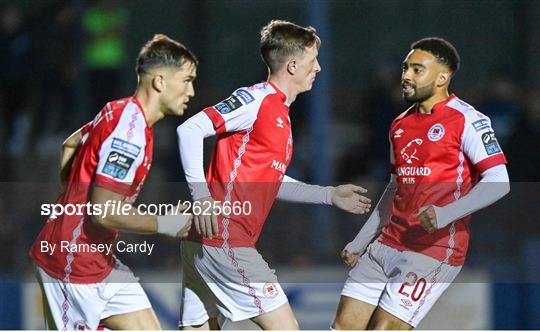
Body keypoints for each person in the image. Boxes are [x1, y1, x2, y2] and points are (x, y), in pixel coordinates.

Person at [177, 20, 372, 330]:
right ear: (293, 66)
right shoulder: (256, 100)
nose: (318, 68)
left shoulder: (279, 111)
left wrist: (329, 195)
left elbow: (271, 181)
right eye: (313, 61)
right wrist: (201, 196)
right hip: (226, 238)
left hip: (207, 240)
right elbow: (189, 129)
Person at [331, 37, 510, 330]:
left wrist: (445, 214)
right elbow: (395, 189)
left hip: (432, 250)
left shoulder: (468, 120)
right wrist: (361, 242)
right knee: (343, 327)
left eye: (417, 70)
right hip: (386, 245)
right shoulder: (399, 125)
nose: (405, 76)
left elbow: (499, 181)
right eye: (405, 68)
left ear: (442, 77)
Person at [29, 34, 197, 330]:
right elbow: (104, 212)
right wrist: (166, 224)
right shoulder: (129, 134)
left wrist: (74, 194)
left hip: (99, 259)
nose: (192, 91)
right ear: (159, 81)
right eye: (186, 80)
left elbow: (70, 145)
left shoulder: (118, 111)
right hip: (72, 265)